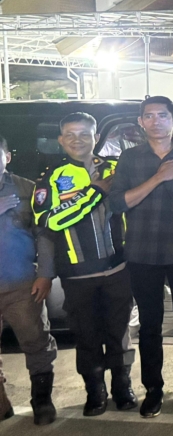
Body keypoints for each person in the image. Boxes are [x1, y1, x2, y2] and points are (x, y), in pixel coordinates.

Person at [108, 96, 173, 418]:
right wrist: (158, 177)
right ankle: (153, 389)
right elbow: (118, 203)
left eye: (163, 115)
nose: (156, 121)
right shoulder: (129, 159)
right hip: (142, 254)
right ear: (141, 122)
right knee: (150, 325)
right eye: (149, 116)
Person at [33, 112, 137, 416]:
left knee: (120, 333)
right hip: (77, 275)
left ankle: (122, 387)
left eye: (84, 134)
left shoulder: (117, 169)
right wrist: (94, 192)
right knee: (87, 336)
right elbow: (50, 223)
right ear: (60, 140)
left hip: (118, 269)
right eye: (70, 134)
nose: (77, 140)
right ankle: (95, 391)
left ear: (96, 138)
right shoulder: (51, 178)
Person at [0, 134, 58, 425]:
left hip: (21, 285)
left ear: (7, 157)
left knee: (36, 342)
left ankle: (42, 400)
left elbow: (45, 234)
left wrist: (45, 274)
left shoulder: (28, 189)